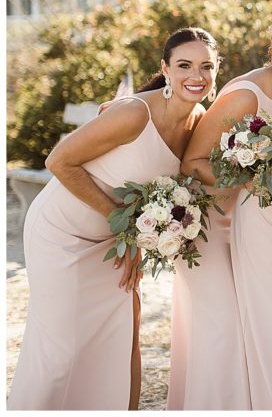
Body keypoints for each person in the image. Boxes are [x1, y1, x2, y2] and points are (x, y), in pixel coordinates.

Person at [8, 28, 218, 410]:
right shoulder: (134, 113)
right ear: (166, 70)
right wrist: (127, 226)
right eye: (185, 65)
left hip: (115, 243)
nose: (196, 76)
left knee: (119, 343)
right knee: (60, 353)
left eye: (206, 67)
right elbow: (58, 161)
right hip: (61, 234)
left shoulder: (198, 120)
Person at [173, 0, 272, 409]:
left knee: (255, 328)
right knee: (222, 326)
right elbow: (192, 161)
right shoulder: (246, 95)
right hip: (210, 224)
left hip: (263, 228)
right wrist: (251, 175)